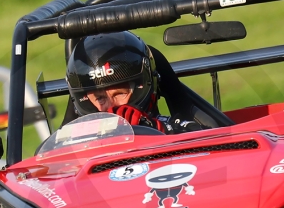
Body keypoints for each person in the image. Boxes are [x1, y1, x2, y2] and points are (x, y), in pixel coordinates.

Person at [65, 31, 205, 134]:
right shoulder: (72, 145)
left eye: (119, 94)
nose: (111, 108)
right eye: (100, 98)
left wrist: (160, 132)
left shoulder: (175, 129)